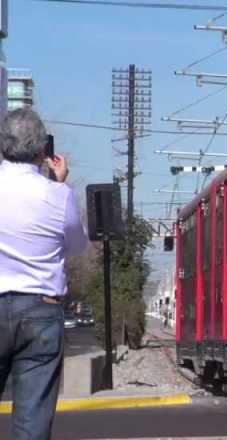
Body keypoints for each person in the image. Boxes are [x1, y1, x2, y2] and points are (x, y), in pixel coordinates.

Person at [0, 109, 88, 440]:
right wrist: (58, 184)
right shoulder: (57, 195)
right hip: (41, 310)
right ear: (42, 149)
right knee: (32, 421)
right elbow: (77, 245)